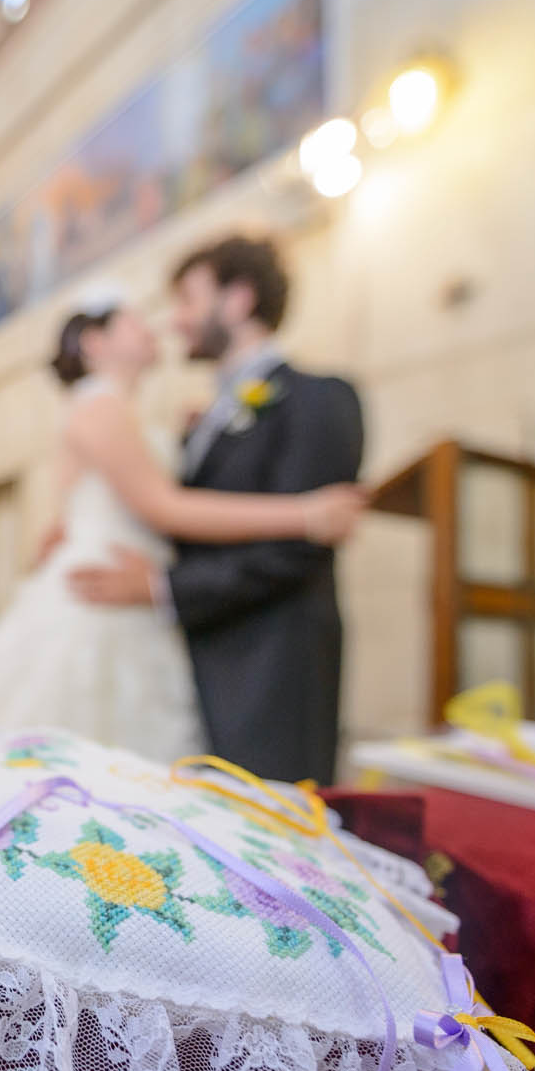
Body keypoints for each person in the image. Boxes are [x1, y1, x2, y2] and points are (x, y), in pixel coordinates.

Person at [0, 298, 364, 765]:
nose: (156, 328)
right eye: (135, 321)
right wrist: (305, 515)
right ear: (94, 341)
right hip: (103, 598)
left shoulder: (125, 412)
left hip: (137, 598)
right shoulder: (101, 406)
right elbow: (164, 507)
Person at [70, 236, 362, 784]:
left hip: (269, 675)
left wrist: (164, 588)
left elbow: (295, 550)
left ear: (238, 300)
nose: (175, 321)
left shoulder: (321, 398)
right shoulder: (202, 421)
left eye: (187, 300)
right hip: (194, 668)